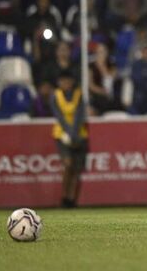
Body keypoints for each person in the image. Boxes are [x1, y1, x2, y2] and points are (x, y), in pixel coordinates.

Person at [50, 69, 88, 208]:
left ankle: (72, 199)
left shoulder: (78, 95)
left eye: (68, 80)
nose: (65, 83)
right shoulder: (56, 95)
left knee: (77, 169)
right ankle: (64, 196)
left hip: (79, 135)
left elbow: (80, 115)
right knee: (67, 164)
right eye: (62, 81)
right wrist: (68, 132)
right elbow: (59, 116)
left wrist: (74, 133)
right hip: (62, 134)